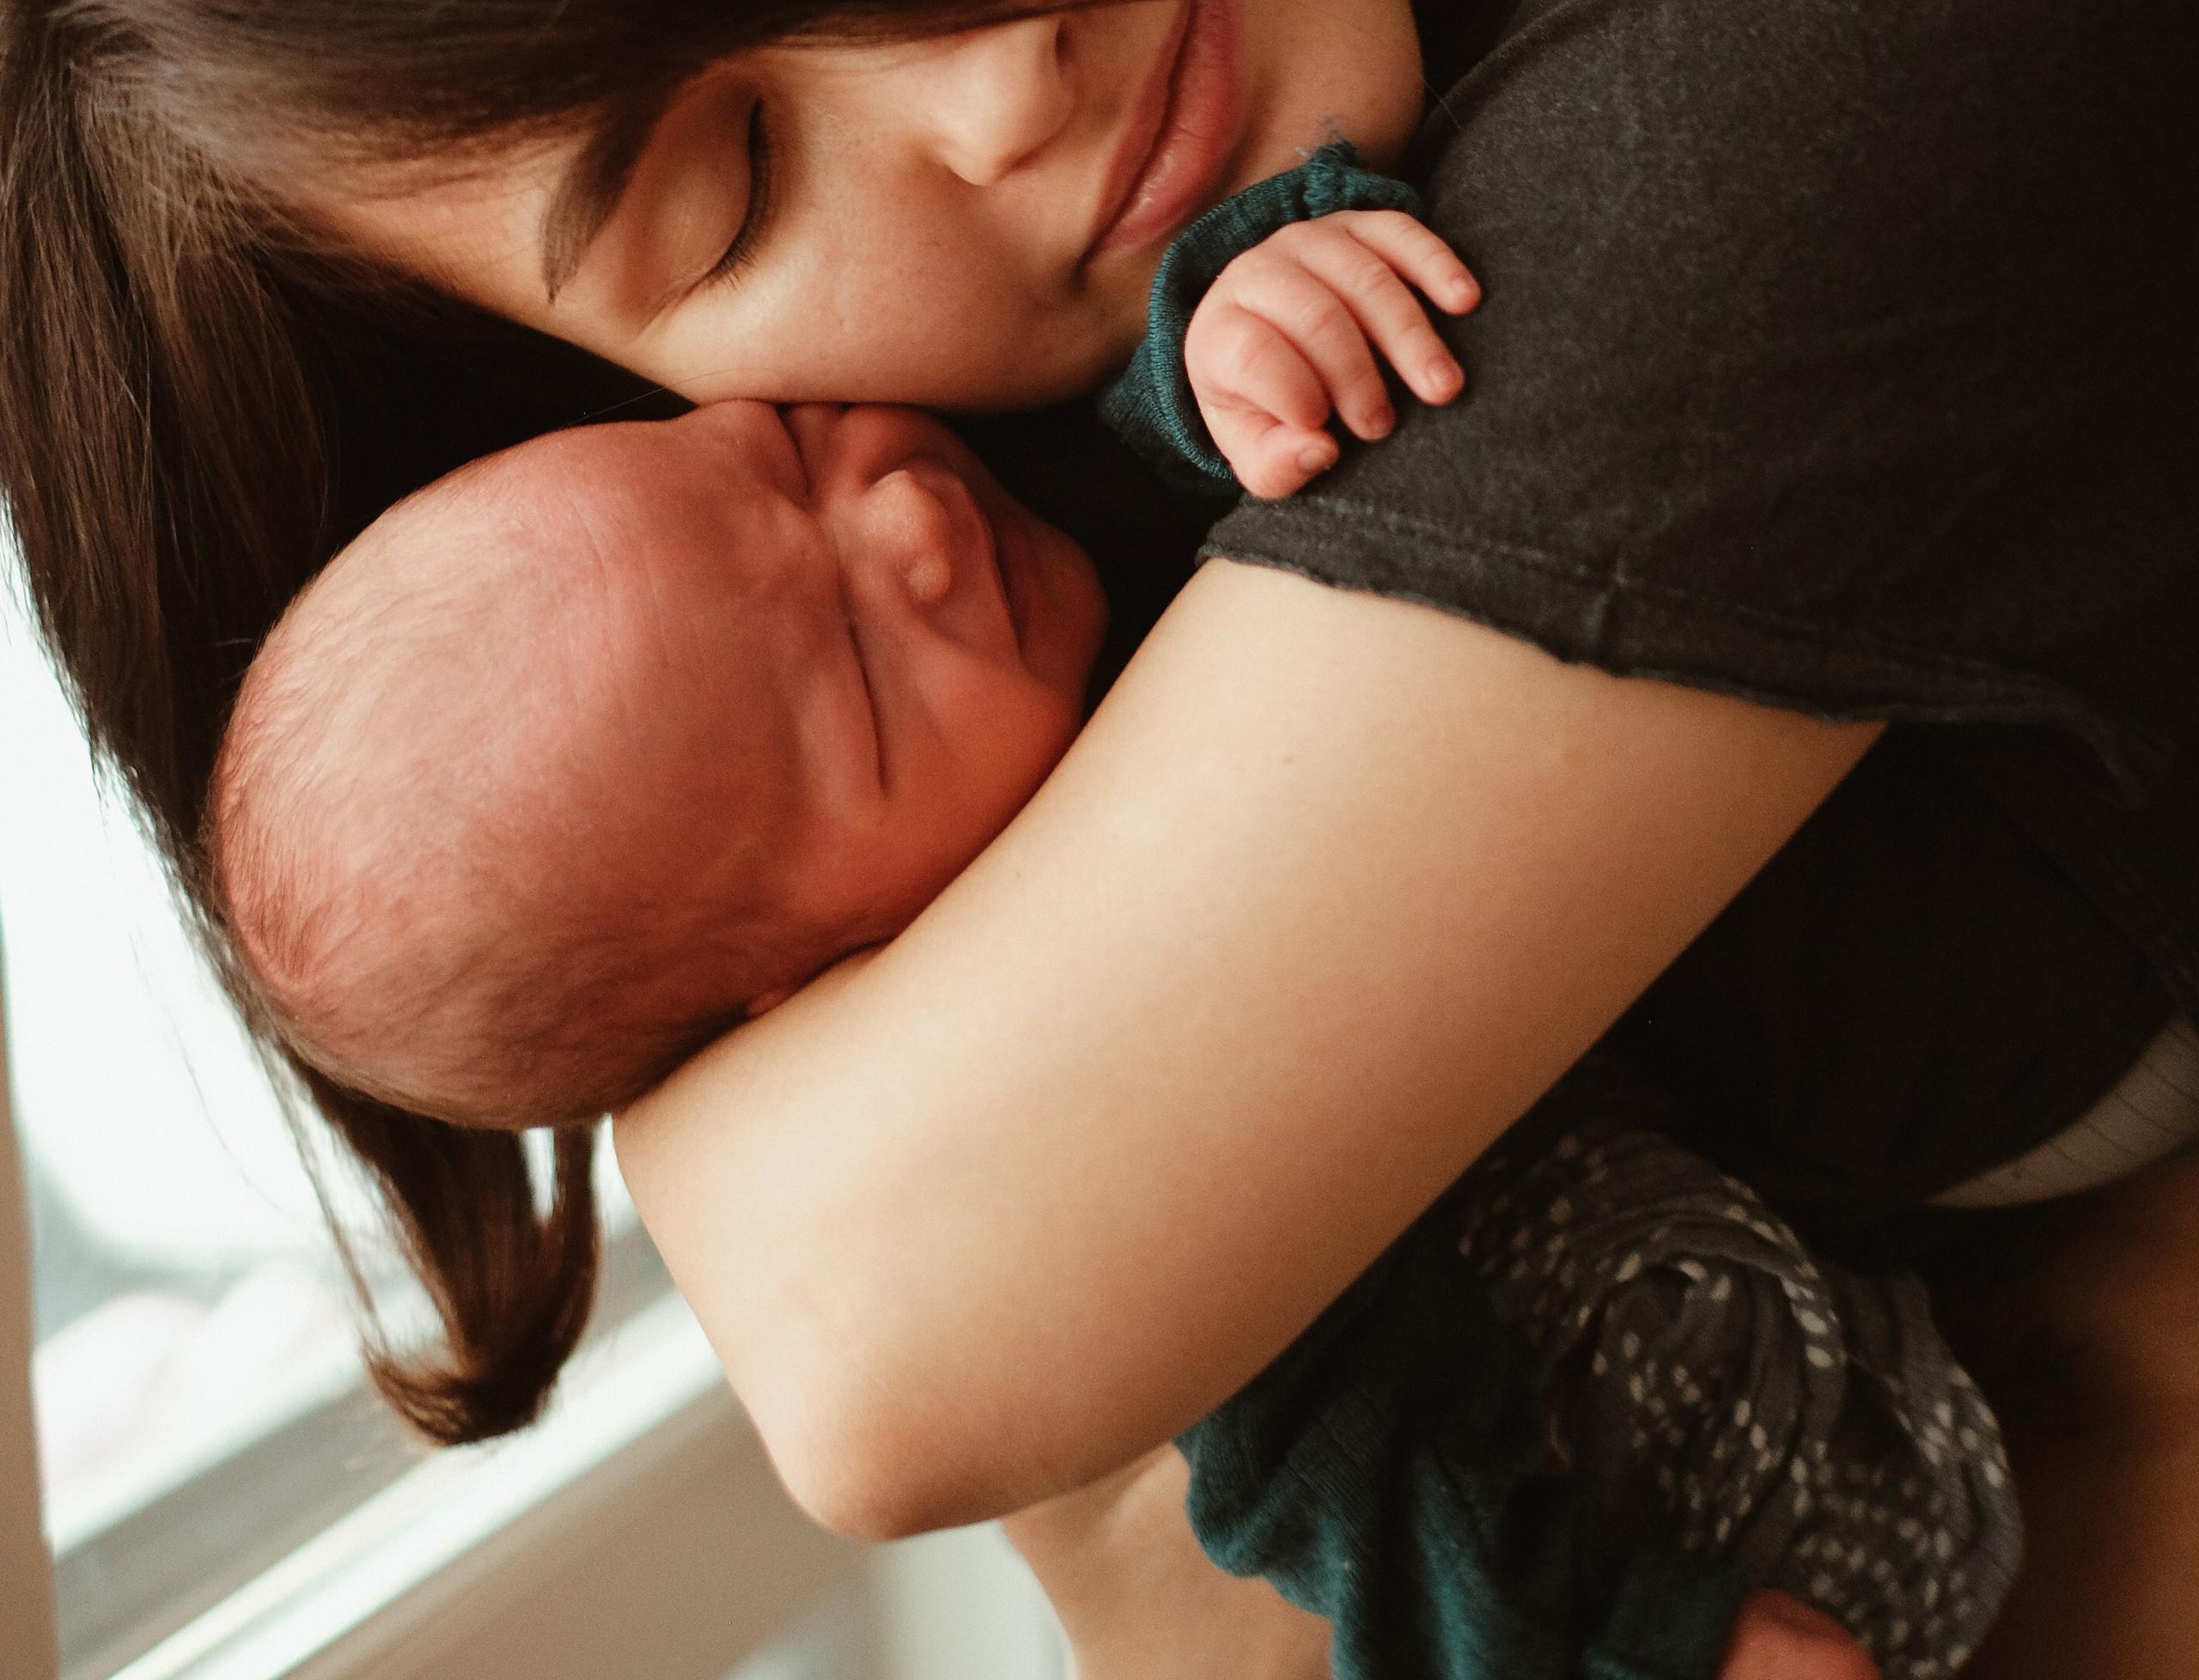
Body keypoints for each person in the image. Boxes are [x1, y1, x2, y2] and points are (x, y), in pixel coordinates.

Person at [1, 0, 2195, 1670]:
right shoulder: (1003, 555)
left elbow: (886, 1323)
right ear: (603, 414)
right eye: (732, 191)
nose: (990, 91)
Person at [213, 398, 1982, 1671]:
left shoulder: (1018, 512)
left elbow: (1165, 403)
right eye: (846, 663)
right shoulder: (1096, 1161)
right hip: (1804, 1493)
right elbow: (1366, 1523)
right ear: (836, 974)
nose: (903, 516)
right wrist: (1669, 1652)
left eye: (771, 451)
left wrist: (1247, 298)